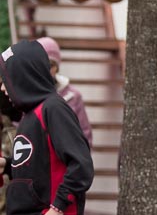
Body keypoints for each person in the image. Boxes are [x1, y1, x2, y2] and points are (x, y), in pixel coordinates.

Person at [0, 39, 94, 214]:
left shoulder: (53, 108)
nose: (3, 88)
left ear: (23, 77)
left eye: (7, 80)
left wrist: (58, 207)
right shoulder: (29, 114)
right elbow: (39, 168)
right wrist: (7, 165)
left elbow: (81, 165)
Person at [36, 37, 93, 147]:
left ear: (57, 67)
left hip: (67, 159)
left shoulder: (73, 96)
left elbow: (85, 134)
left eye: (51, 65)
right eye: (43, 64)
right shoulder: (28, 94)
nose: (47, 69)